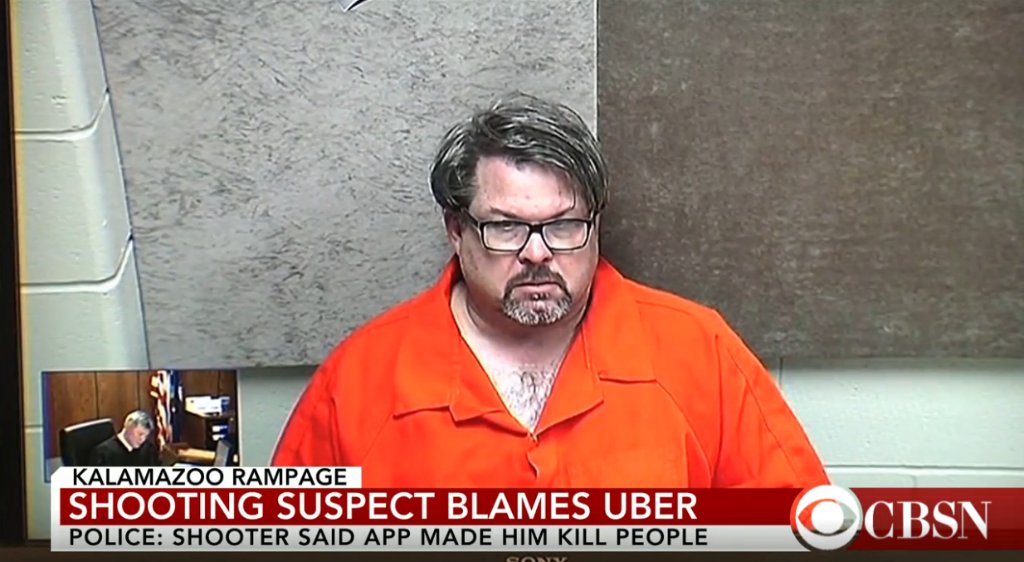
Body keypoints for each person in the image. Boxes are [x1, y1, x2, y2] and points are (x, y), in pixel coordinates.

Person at [272, 93, 830, 488]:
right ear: (456, 229)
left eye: (563, 225)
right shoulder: (358, 379)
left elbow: (799, 535)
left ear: (596, 224)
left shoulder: (700, 352)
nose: (537, 253)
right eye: (505, 227)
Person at [87, 410, 161, 466]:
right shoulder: (103, 453)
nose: (142, 439)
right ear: (128, 427)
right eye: (140, 434)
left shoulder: (148, 449)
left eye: (146, 435)